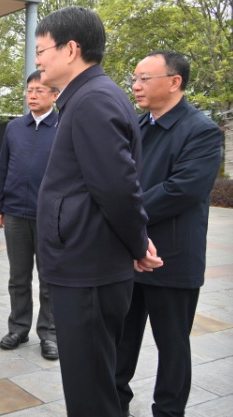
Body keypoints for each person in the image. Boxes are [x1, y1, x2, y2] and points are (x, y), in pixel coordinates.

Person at [33, 7, 163, 416]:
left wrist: (138, 244)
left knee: (90, 393)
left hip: (88, 269)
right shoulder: (88, 97)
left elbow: (117, 188)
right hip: (87, 261)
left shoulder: (92, 100)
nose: (37, 60)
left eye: (41, 50)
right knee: (93, 382)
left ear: (71, 49)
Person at [115, 50, 221, 417]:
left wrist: (125, 210)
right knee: (121, 339)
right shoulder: (136, 126)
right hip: (130, 252)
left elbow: (182, 190)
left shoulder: (201, 130)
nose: (136, 85)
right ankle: (115, 405)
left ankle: (169, 411)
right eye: (134, 79)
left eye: (144, 78)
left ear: (175, 82)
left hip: (172, 259)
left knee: (172, 346)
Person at [0, 70, 59, 360]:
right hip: (16, 213)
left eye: (39, 90)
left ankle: (50, 333)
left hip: (49, 216)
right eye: (29, 90)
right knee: (18, 277)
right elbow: (3, 168)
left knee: (49, 278)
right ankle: (18, 328)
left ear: (55, 95)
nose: (32, 95)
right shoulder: (14, 128)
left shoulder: (64, 127)